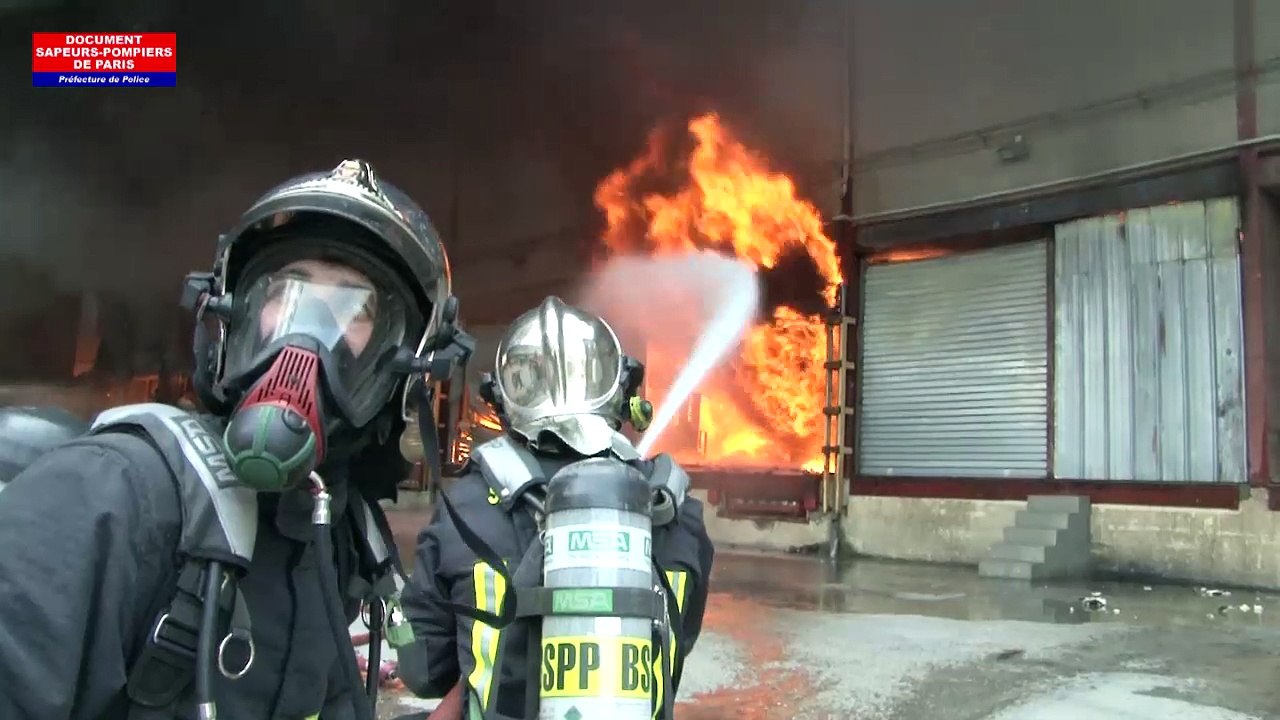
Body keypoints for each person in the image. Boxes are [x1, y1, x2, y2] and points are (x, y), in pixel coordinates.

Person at [0, 159, 469, 720]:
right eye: (285, 292)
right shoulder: (113, 493)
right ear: (233, 320)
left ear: (407, 365)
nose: (305, 335)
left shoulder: (343, 538)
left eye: (356, 306)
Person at [396, 296, 715, 720]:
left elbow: (423, 670)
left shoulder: (467, 506)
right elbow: (677, 646)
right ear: (619, 391)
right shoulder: (674, 509)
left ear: (502, 398)